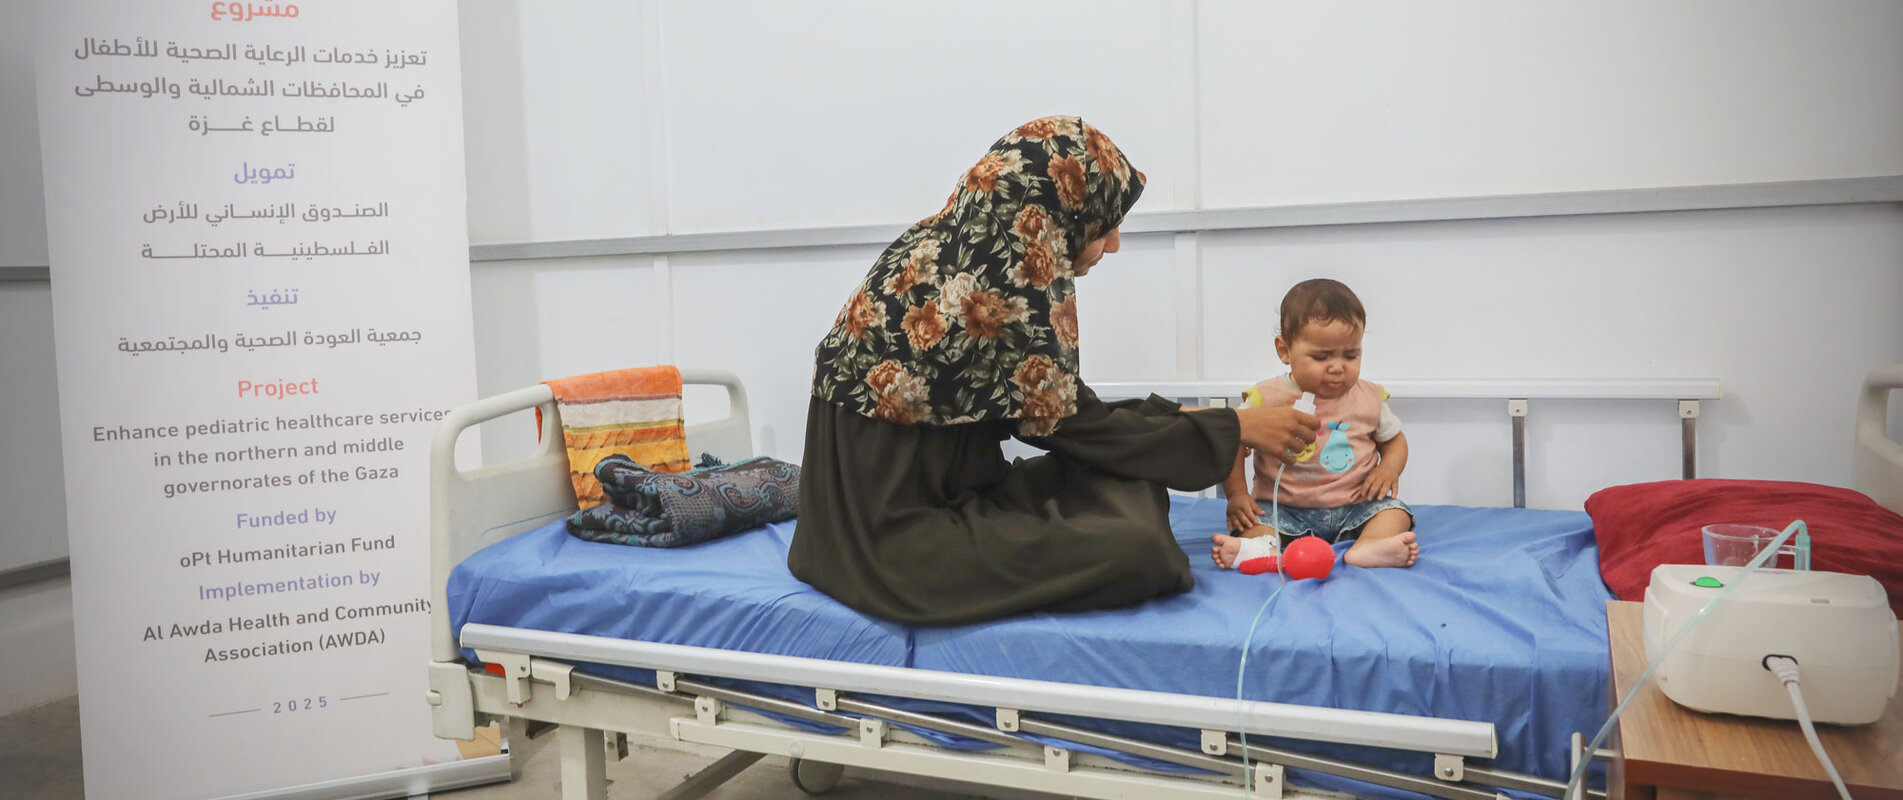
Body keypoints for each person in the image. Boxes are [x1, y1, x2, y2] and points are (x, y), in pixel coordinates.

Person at [788, 116, 1320, 625]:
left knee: (1131, 476)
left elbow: (1070, 413)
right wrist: (1235, 428)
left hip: (938, 493)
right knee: (1138, 547)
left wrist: (1202, 421)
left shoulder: (962, 251)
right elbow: (1081, 429)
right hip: (888, 542)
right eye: (1104, 225)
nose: (1113, 243)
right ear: (1054, 215)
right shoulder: (989, 292)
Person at [1211, 278, 1418, 571]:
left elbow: (1394, 440)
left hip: (1356, 505)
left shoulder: (1368, 398)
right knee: (1252, 522)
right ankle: (1259, 549)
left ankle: (1371, 547)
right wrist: (1237, 495)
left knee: (1394, 513)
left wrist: (1388, 469)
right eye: (1321, 356)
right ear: (1284, 350)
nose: (1337, 366)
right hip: (1282, 510)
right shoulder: (1265, 398)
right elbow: (1232, 441)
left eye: (1351, 355)